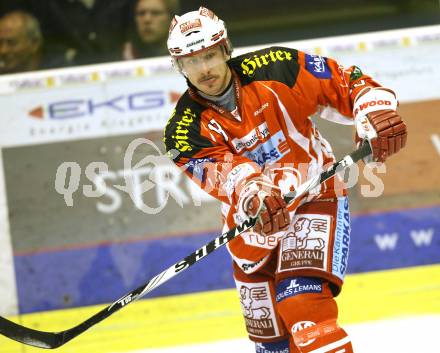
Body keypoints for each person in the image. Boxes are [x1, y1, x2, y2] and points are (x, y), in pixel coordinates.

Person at [163, 7, 407, 353]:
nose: (203, 69)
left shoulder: (278, 67)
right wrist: (256, 194)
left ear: (225, 49)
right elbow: (224, 173)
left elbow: (344, 81)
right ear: (178, 67)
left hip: (314, 196)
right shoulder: (182, 131)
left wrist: (374, 109)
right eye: (190, 61)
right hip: (251, 228)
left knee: (305, 311)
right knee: (273, 345)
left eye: (209, 55)